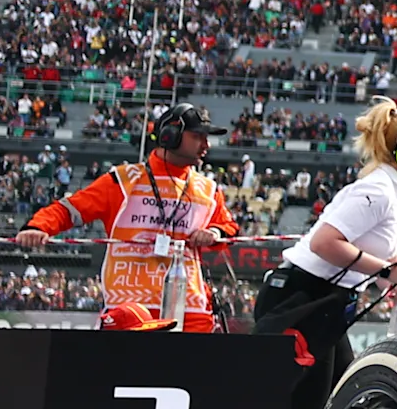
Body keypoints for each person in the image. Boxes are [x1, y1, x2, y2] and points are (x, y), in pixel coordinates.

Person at [256, 99, 397, 409]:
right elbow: (325, 243)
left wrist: (394, 277)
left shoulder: (386, 192)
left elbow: (366, 259)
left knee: (337, 402)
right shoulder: (378, 192)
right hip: (303, 299)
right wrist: (390, 269)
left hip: (323, 301)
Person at [15, 102, 235, 330]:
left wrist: (215, 232)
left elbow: (228, 227)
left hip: (191, 310)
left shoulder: (209, 189)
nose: (206, 145)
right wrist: (39, 227)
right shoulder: (122, 180)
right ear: (171, 135)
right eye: (198, 136)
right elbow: (70, 209)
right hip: (131, 312)